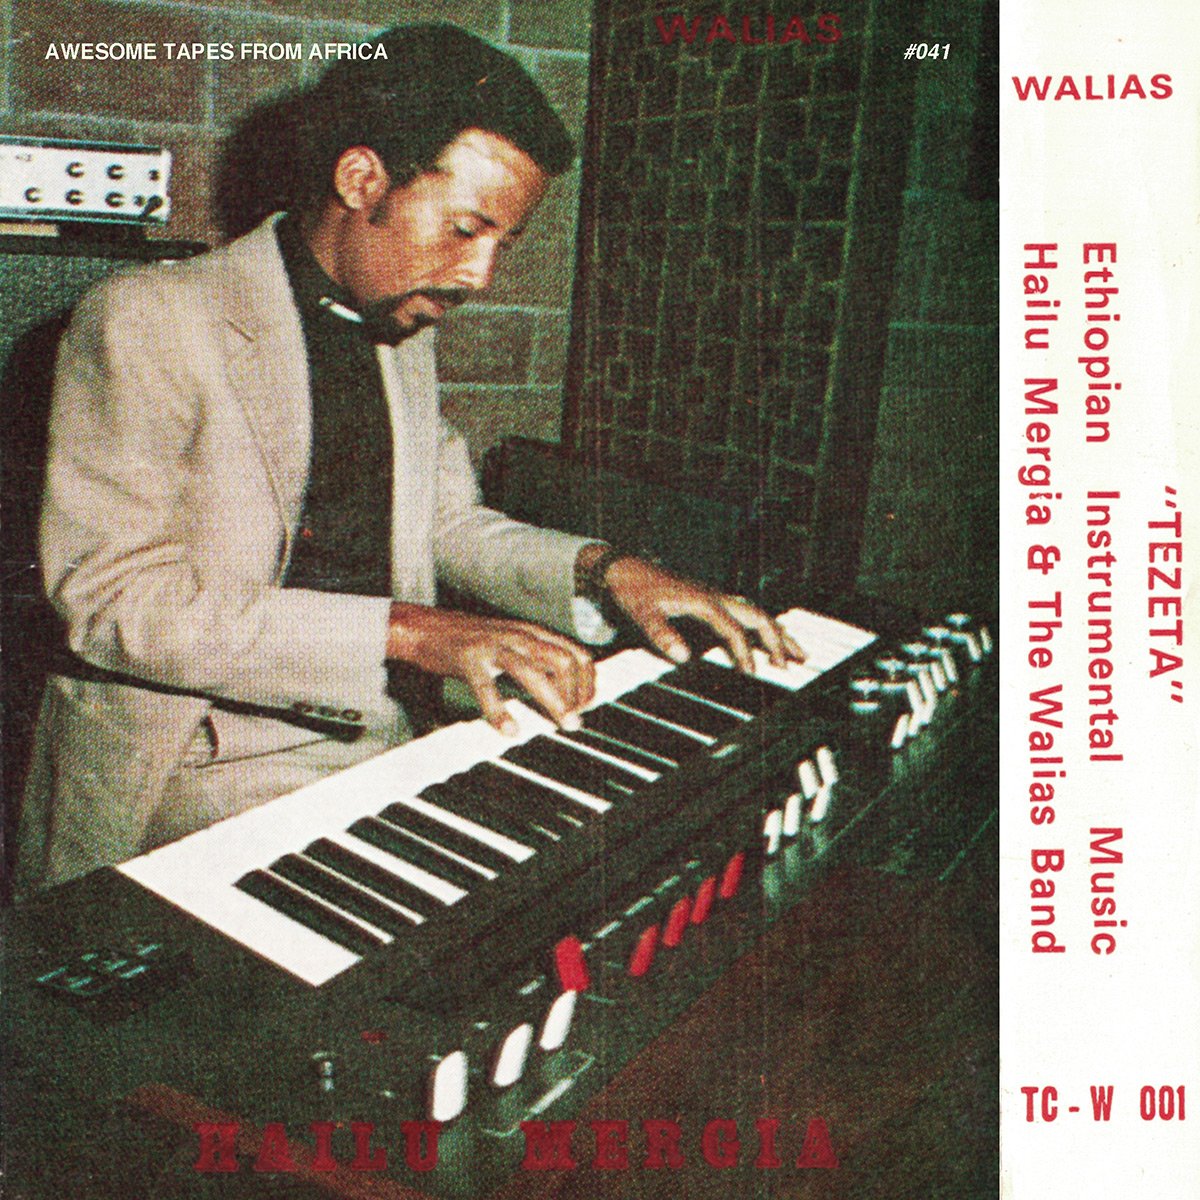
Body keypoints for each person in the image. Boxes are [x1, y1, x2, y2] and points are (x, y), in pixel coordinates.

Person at [14, 24, 801, 896]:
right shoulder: (148, 317)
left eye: (503, 244)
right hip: (190, 768)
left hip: (385, 736)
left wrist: (608, 571)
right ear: (362, 181)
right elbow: (112, 603)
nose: (482, 277)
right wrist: (412, 633)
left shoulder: (398, 321)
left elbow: (443, 520)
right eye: (465, 230)